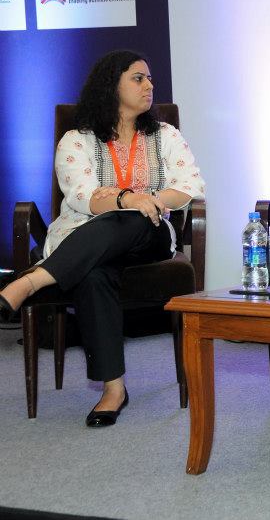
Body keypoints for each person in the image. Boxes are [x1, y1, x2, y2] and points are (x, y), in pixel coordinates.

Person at [0, 50, 206, 427]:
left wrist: (145, 201)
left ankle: (30, 281)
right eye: (138, 78)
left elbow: (189, 186)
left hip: (150, 236)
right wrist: (127, 199)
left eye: (150, 78)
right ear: (112, 86)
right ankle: (114, 389)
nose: (149, 85)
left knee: (136, 218)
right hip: (85, 235)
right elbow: (82, 196)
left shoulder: (164, 135)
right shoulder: (76, 140)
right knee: (94, 271)